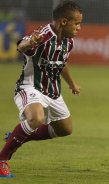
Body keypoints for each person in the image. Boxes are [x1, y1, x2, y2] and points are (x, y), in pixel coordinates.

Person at [0, 0, 83, 178]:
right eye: (76, 23)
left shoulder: (68, 42)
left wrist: (72, 83)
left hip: (53, 91)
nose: (79, 28)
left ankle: (18, 134)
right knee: (36, 118)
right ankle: (2, 159)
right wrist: (31, 42)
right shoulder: (42, 36)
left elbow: (62, 63)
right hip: (30, 86)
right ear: (63, 22)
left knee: (65, 129)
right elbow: (21, 46)